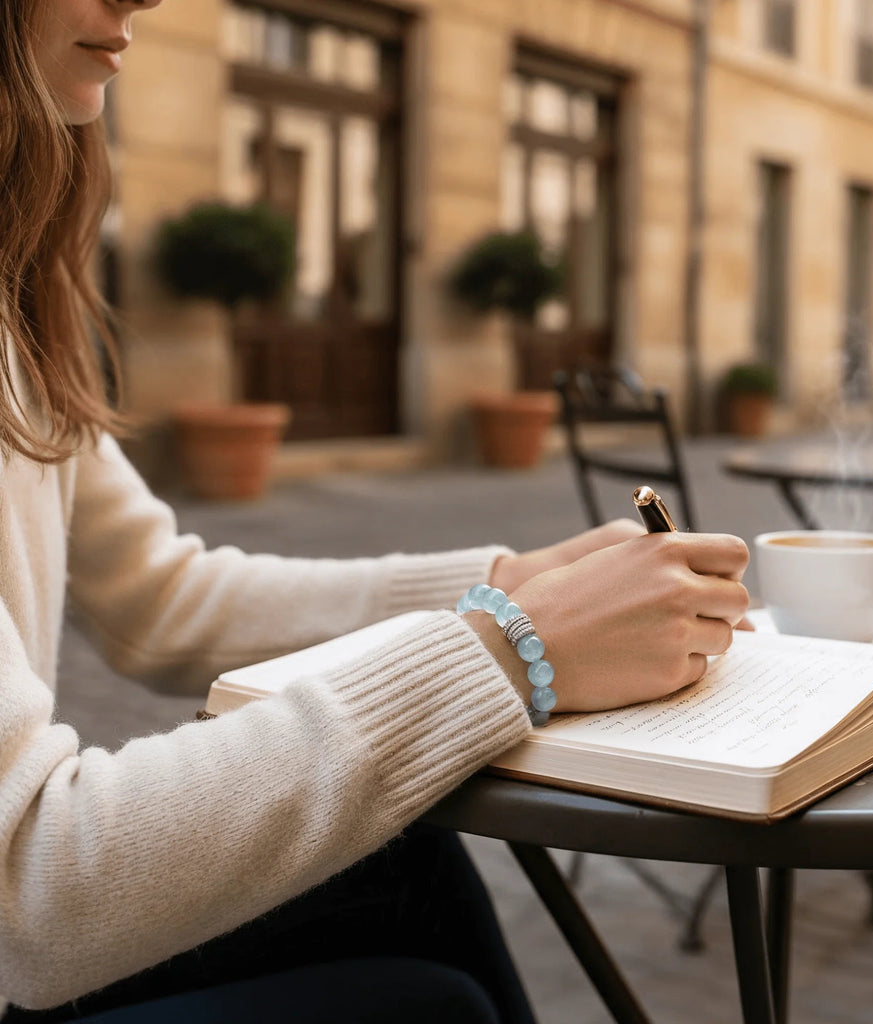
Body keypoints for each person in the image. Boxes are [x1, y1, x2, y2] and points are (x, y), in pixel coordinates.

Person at [0, 0, 751, 1021]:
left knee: (406, 852)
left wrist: (503, 587)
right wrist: (512, 649)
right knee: (426, 1009)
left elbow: (160, 598)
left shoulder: (16, 296)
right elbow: (29, 893)